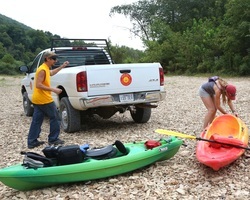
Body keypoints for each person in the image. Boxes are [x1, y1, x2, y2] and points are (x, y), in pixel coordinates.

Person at [27, 51, 69, 149]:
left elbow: (52, 73)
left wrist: (62, 66)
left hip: (38, 99)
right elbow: (38, 85)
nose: (55, 60)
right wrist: (53, 89)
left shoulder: (45, 68)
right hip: (44, 99)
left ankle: (32, 141)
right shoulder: (42, 70)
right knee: (56, 117)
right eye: (54, 58)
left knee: (37, 121)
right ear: (47, 59)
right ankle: (53, 139)